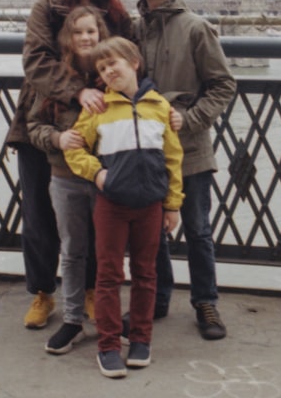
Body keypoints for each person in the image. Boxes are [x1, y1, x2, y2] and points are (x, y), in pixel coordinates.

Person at [5, 0, 133, 330]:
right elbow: (35, 61)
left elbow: (126, 56)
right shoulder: (46, 9)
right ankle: (43, 294)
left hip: (97, 125)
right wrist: (78, 90)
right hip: (43, 119)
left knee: (94, 212)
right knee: (39, 215)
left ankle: (92, 291)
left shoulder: (114, 12)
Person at [63, 37, 184, 379]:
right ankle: (108, 345)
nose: (108, 71)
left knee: (146, 274)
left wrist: (172, 205)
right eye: (101, 69)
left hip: (150, 205)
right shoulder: (98, 108)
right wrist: (98, 174)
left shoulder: (159, 107)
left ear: (134, 62)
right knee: (109, 275)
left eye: (113, 63)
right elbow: (75, 149)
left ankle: (142, 339)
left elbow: (173, 159)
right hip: (112, 204)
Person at [133, 0, 236, 341]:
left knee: (197, 229)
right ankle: (157, 299)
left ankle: (206, 303)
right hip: (145, 151)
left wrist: (189, 120)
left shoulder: (196, 28)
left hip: (189, 149)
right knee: (151, 230)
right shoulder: (133, 30)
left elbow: (224, 85)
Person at [26, 5, 108, 354]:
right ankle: (73, 320)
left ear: (102, 35)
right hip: (65, 176)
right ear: (68, 39)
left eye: (92, 31)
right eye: (78, 32)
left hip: (107, 178)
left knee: (108, 250)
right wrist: (57, 139)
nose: (86, 38)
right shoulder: (54, 79)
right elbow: (33, 127)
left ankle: (107, 318)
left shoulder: (112, 73)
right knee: (73, 250)